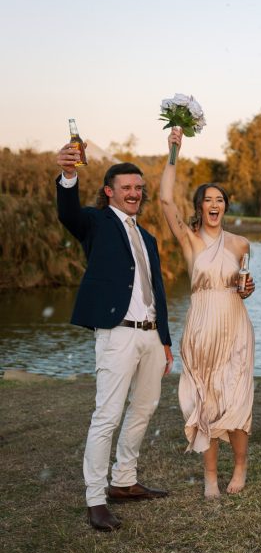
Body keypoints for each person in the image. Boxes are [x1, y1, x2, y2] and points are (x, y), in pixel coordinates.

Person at [56, 140, 173, 532]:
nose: (135, 193)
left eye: (139, 187)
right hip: (117, 334)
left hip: (150, 336)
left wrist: (165, 341)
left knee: (144, 408)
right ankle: (95, 498)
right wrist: (69, 175)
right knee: (107, 415)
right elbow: (68, 213)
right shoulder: (96, 222)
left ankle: (124, 479)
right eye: (126, 187)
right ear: (109, 191)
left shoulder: (148, 237)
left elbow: (156, 289)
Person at [158, 128, 256, 499]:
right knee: (207, 402)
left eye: (220, 200)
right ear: (199, 206)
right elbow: (166, 201)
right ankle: (210, 476)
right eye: (207, 200)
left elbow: (244, 285)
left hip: (235, 325)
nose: (214, 205)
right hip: (201, 328)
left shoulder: (240, 243)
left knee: (238, 398)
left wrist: (246, 289)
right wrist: (173, 151)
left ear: (225, 206)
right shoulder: (190, 240)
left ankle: (241, 467)